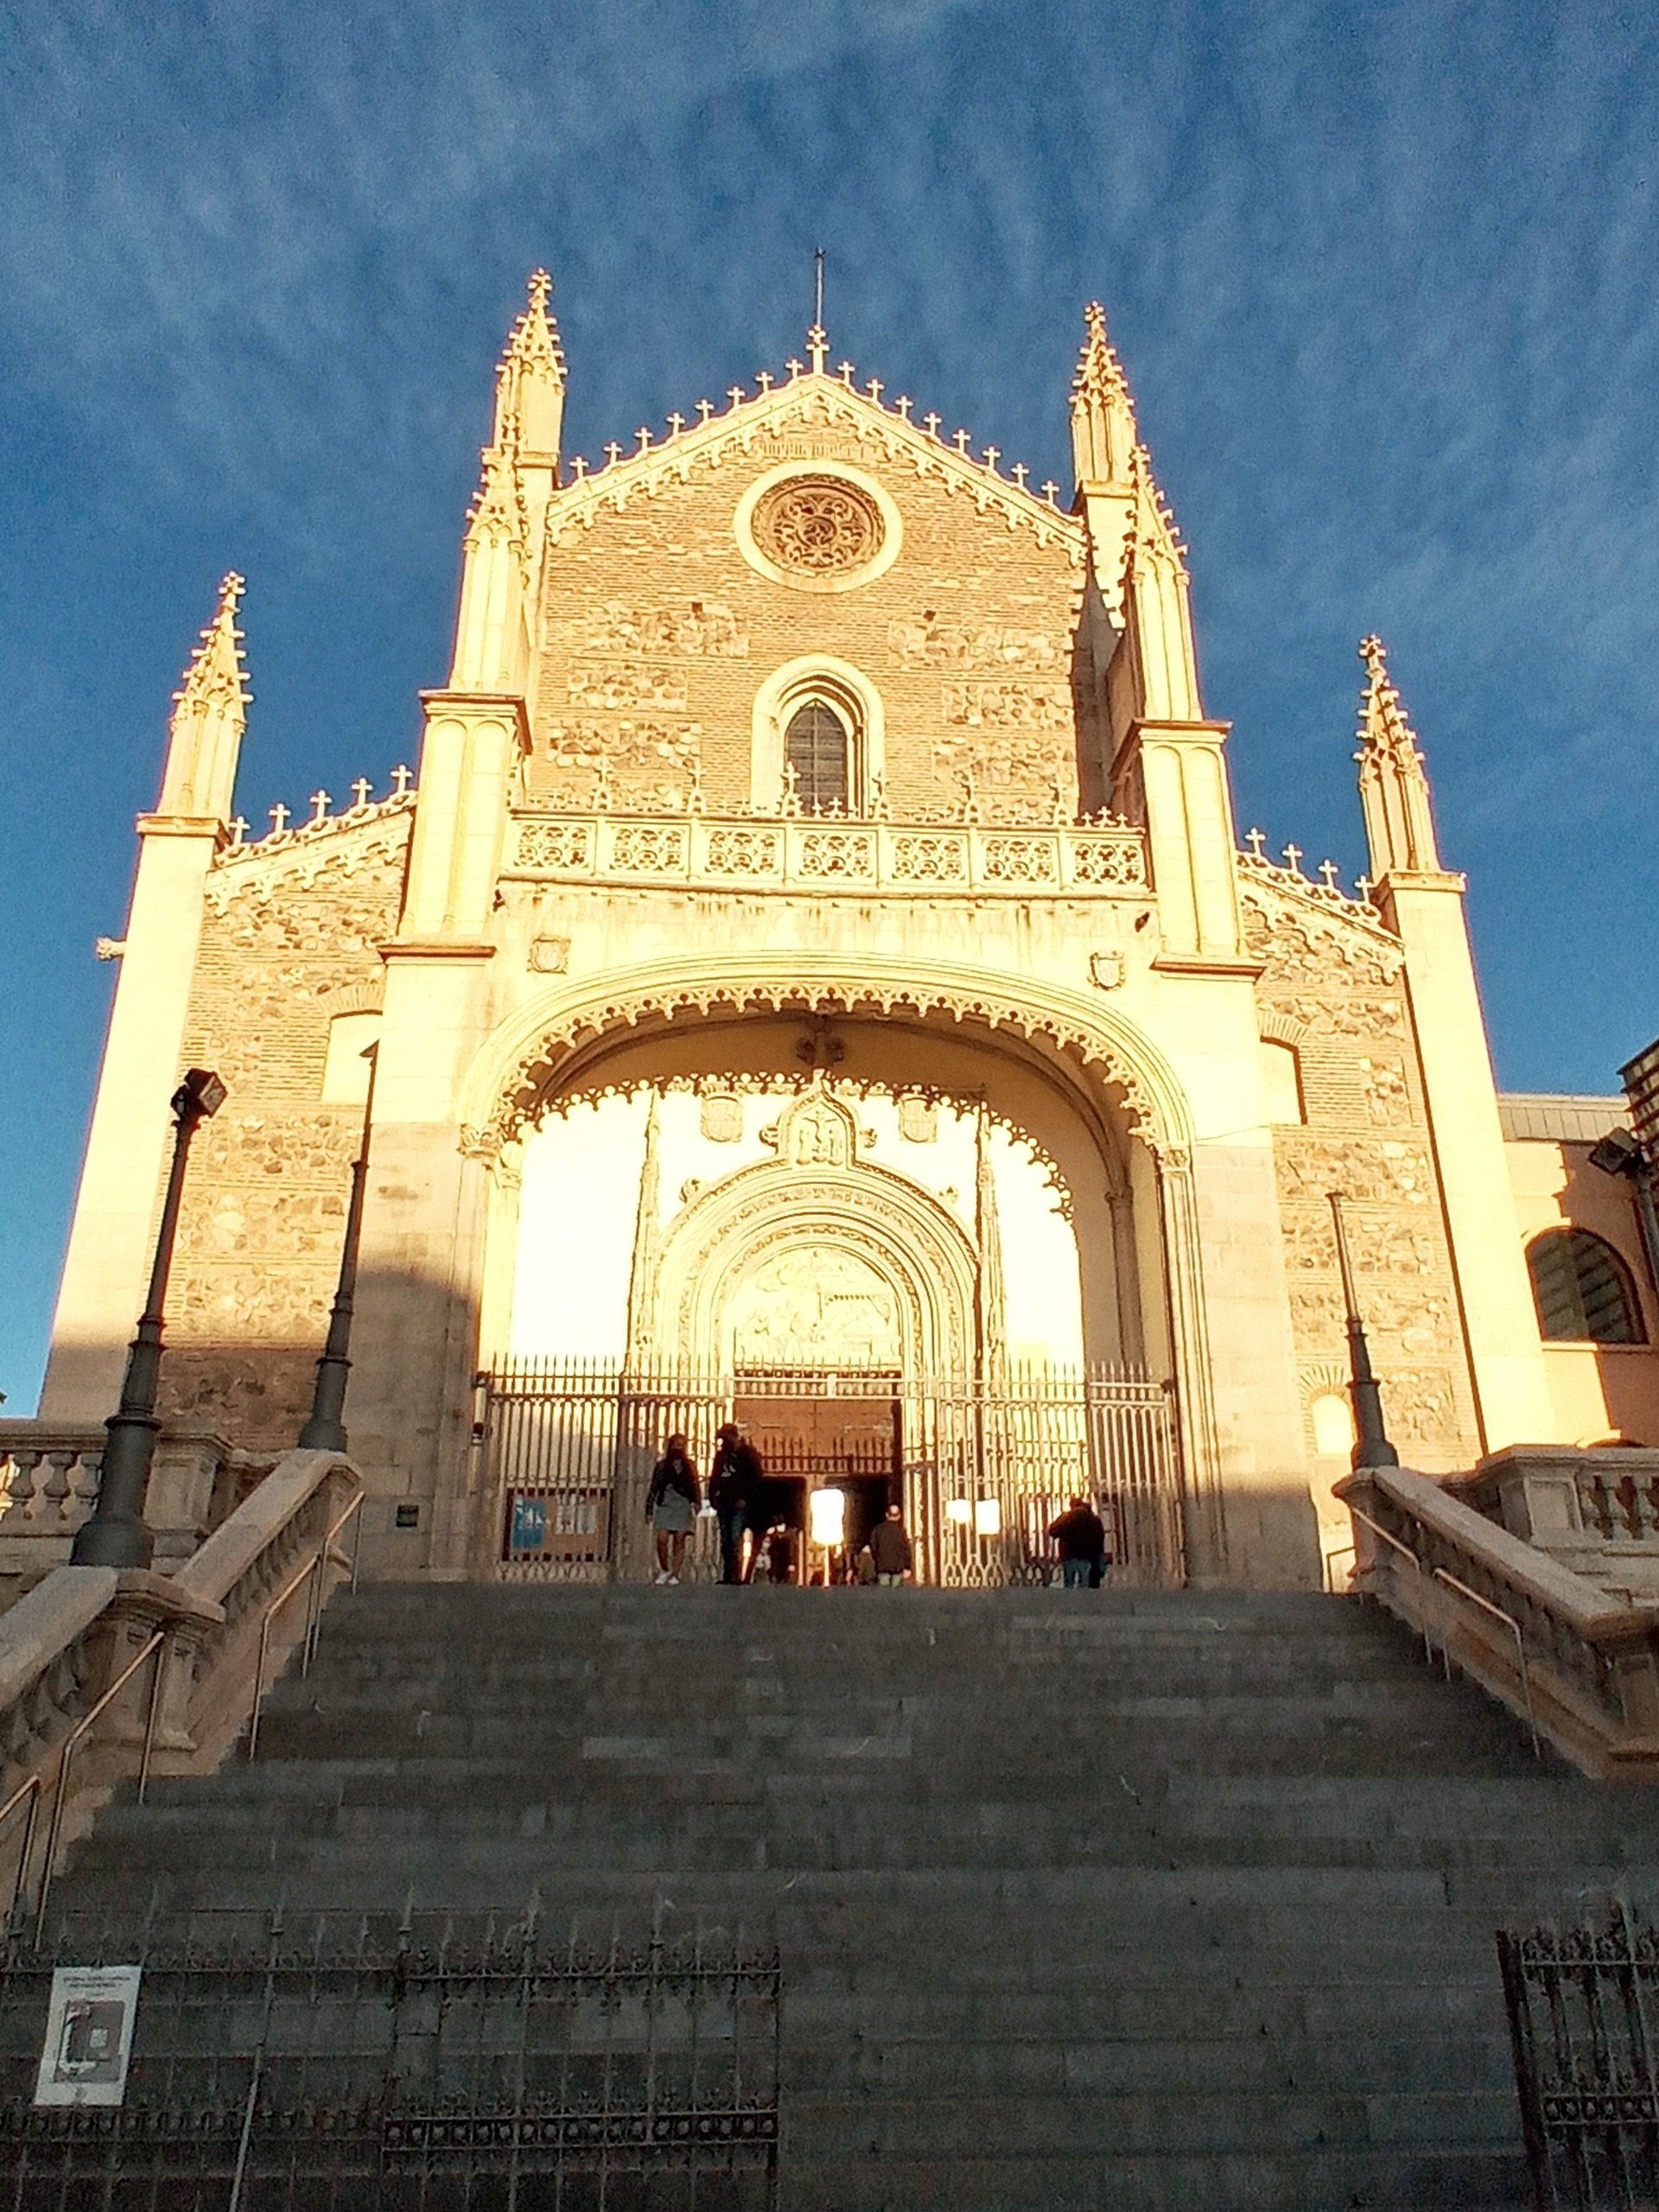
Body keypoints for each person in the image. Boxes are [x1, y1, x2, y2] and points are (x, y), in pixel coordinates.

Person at [709, 1422, 766, 1585]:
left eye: (725, 1438)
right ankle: (729, 1575)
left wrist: (746, 1498)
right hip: (724, 1502)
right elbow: (715, 1477)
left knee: (735, 1538)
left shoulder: (747, 1454)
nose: (723, 1442)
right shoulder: (721, 1456)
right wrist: (713, 1496)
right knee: (726, 1539)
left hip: (740, 1503)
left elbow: (756, 1478)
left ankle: (736, 1575)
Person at [645, 1433, 700, 1585]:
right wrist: (648, 1509)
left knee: (679, 1539)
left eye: (682, 1445)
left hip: (682, 1504)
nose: (679, 1448)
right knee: (661, 1539)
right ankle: (664, 1569)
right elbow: (654, 1487)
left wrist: (697, 1502)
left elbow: (695, 1484)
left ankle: (675, 1573)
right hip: (665, 1503)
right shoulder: (662, 1465)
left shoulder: (690, 1465)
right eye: (676, 1444)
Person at [1048, 1495, 1107, 1590]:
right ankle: (1085, 1602)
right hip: (1087, 1556)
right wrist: (1099, 1555)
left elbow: (1053, 1531)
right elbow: (1099, 1539)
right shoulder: (1093, 1519)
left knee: (1069, 1583)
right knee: (1084, 1583)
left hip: (1069, 1555)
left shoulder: (1066, 1518)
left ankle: (1071, 1602)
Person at [868, 1501, 912, 1586]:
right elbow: (907, 1550)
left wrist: (877, 1559)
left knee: (884, 1594)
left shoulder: (878, 1530)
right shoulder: (901, 1532)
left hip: (882, 1567)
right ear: (899, 1516)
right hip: (898, 1568)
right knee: (897, 1595)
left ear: (887, 1515)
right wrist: (907, 1567)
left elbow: (873, 1547)